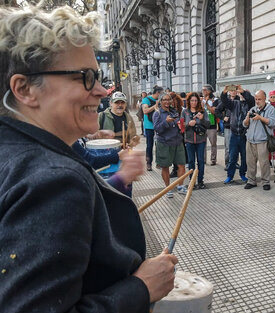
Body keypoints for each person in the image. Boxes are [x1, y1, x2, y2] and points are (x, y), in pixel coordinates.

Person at [0, 5, 177, 312]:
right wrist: (141, 288)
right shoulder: (54, 179)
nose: (101, 91)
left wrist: (118, 179)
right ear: (25, 89)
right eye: (85, 77)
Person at [218, 84, 255, 184]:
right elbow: (224, 100)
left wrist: (243, 91)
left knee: (244, 157)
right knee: (232, 156)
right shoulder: (234, 103)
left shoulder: (250, 105)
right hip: (234, 134)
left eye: (243, 94)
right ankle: (230, 176)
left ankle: (243, 174)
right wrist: (225, 91)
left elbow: (251, 99)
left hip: (244, 135)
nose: (241, 95)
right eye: (240, 93)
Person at [153, 93, 187, 198]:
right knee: (165, 166)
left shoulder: (175, 112)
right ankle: (168, 188)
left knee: (181, 164)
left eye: (169, 100)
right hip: (164, 143)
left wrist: (181, 126)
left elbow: (179, 125)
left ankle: (181, 186)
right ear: (161, 101)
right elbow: (157, 129)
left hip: (178, 141)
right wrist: (166, 122)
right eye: (165, 100)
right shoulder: (157, 113)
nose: (167, 102)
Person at [243, 90, 275, 191]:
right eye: (256, 99)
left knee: (264, 163)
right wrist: (247, 118)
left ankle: (266, 182)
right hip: (250, 140)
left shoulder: (270, 109)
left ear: (264, 99)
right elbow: (245, 124)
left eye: (259, 99)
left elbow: (273, 123)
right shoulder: (253, 109)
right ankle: (251, 181)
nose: (257, 101)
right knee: (250, 162)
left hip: (262, 140)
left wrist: (260, 118)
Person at [182, 92, 210, 189]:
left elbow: (208, 124)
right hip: (189, 140)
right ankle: (192, 181)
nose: (194, 102)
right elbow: (181, 127)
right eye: (192, 100)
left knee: (201, 161)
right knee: (191, 161)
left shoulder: (202, 111)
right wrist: (188, 124)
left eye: (195, 100)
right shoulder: (185, 112)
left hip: (201, 140)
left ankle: (200, 181)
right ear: (189, 101)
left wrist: (202, 119)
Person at [142, 85, 163, 170]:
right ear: (157, 93)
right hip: (149, 126)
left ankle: (159, 163)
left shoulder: (161, 100)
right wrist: (155, 106)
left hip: (159, 125)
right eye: (161, 93)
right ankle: (149, 163)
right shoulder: (146, 99)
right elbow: (145, 111)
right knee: (149, 145)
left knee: (159, 145)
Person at [202, 84, 219, 166]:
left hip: (212, 125)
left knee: (213, 144)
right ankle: (203, 159)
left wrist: (207, 104)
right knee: (202, 144)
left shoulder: (215, 100)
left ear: (209, 91)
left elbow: (214, 111)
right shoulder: (201, 100)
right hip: (202, 125)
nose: (203, 92)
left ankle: (213, 159)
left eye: (204, 90)